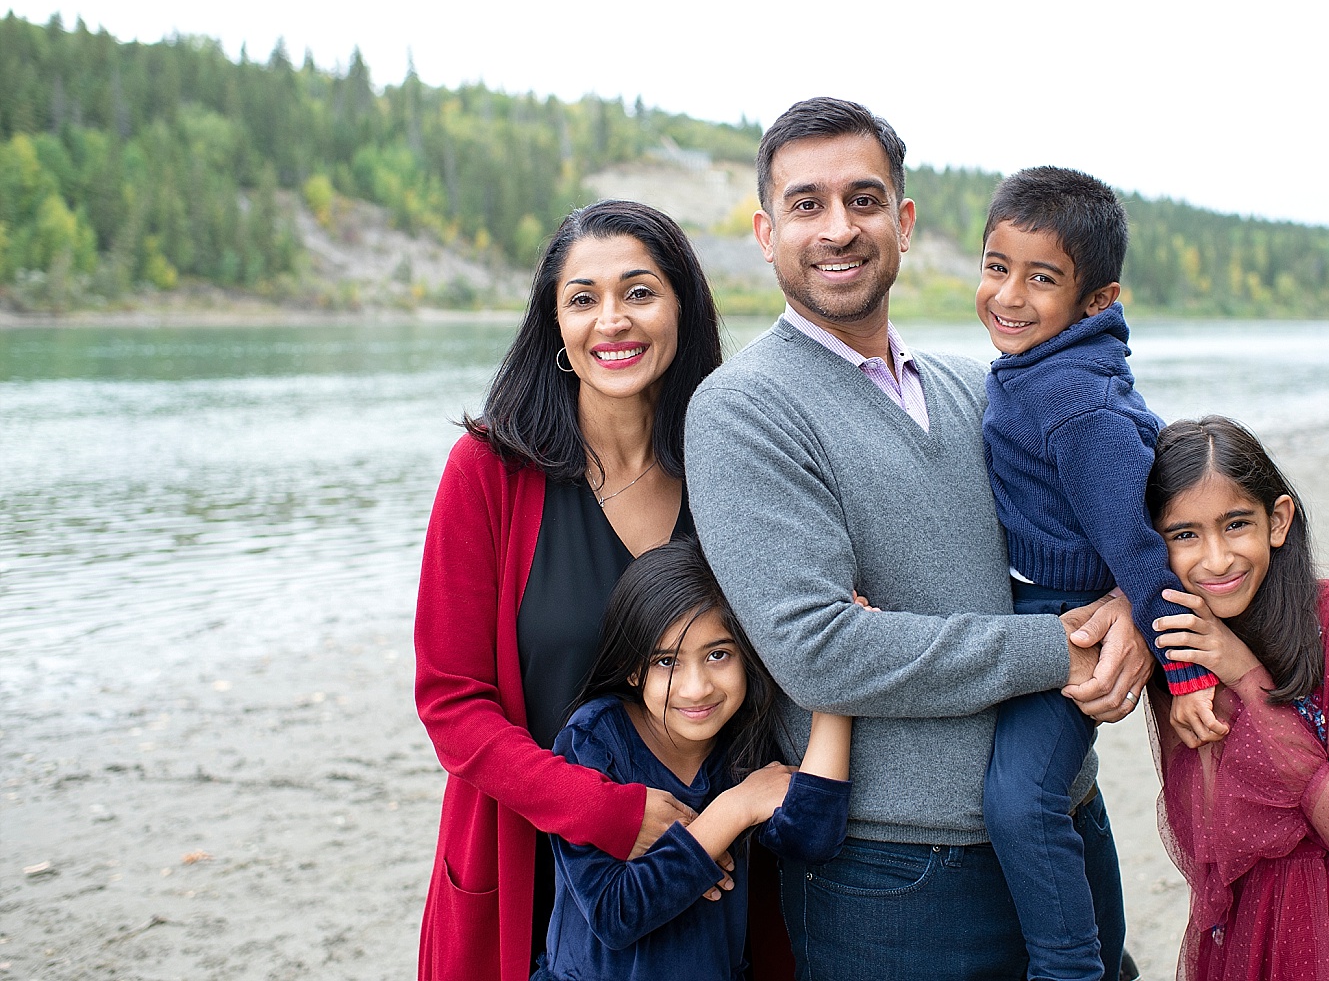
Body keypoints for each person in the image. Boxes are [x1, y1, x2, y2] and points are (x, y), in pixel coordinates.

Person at [684, 96, 1155, 980]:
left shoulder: (981, 386)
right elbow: (822, 652)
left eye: (864, 200)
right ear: (764, 231)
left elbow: (1103, 507)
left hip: (1062, 820)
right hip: (899, 872)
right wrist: (1063, 645)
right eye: (806, 204)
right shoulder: (742, 411)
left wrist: (1130, 602)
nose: (838, 228)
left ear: (902, 223)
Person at [413, 200, 725, 981]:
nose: (612, 320)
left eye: (640, 292)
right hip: (532, 867)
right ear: (555, 327)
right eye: (583, 298)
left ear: (682, 306)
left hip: (705, 865)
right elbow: (452, 703)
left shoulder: (727, 469)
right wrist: (607, 814)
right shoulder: (488, 473)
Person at [976, 167, 1226, 980]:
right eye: (995, 266)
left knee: (1020, 800)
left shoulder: (1075, 402)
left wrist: (1184, 671)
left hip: (1075, 614)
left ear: (1096, 300)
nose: (1008, 295)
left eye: (1040, 278)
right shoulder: (1043, 370)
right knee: (1047, 790)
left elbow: (1141, 545)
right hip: (1030, 604)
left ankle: (1070, 968)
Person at [1146, 416, 1329, 981]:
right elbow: (1207, 836)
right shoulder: (1180, 646)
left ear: (1277, 521)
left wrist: (1245, 675)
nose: (1215, 559)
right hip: (1241, 920)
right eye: (1184, 534)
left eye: (1236, 524)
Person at [535, 537, 851, 980]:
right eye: (667, 662)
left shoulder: (742, 737)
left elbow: (812, 839)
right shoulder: (595, 742)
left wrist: (837, 682)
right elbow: (614, 913)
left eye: (718, 655)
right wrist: (731, 811)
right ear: (632, 667)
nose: (697, 687)